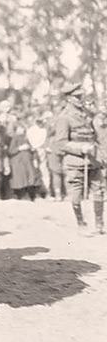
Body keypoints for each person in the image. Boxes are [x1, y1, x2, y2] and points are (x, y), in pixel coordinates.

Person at [54, 82, 104, 235]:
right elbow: (61, 143)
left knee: (99, 192)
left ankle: (99, 225)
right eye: (77, 96)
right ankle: (81, 224)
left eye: (82, 96)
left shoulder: (88, 114)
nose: (81, 99)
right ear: (69, 98)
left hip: (93, 160)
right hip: (76, 162)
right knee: (76, 196)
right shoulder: (64, 117)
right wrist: (80, 148)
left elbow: (96, 135)